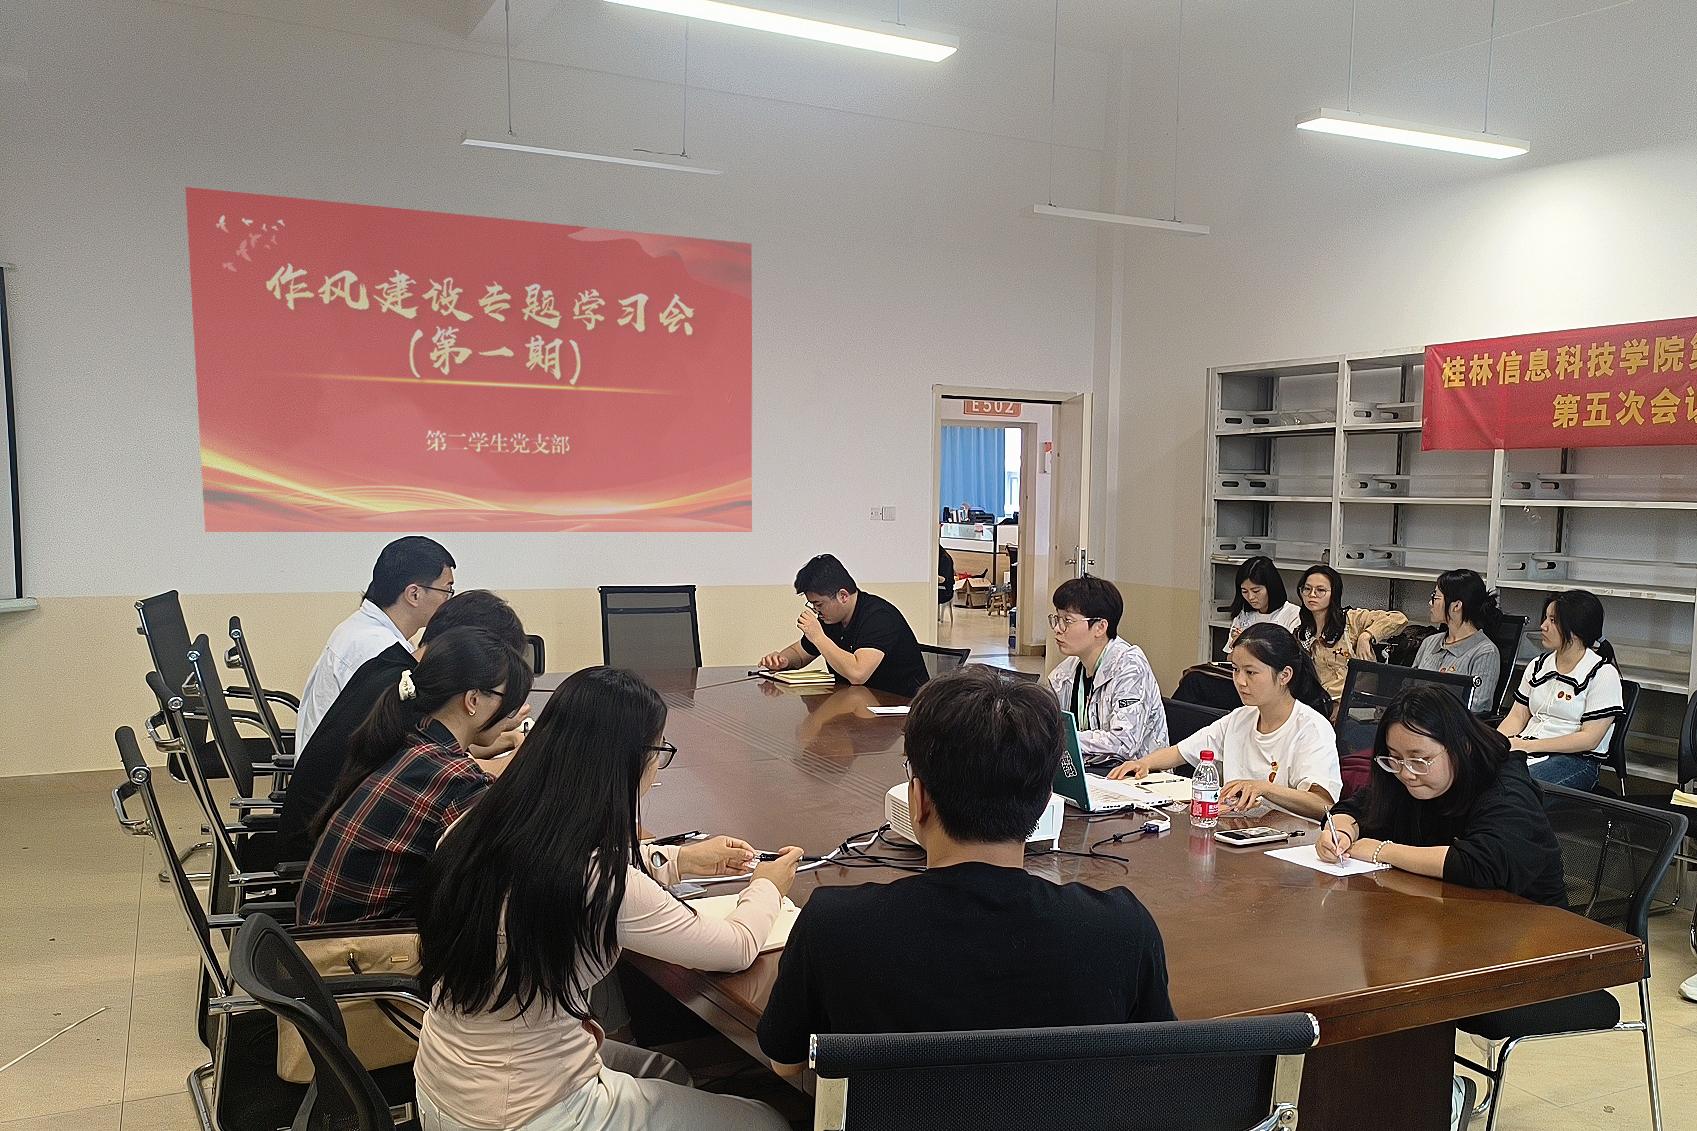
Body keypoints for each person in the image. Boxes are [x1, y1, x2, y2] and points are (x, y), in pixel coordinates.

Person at [414, 667, 799, 1131]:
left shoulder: (471, 827)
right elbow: (735, 946)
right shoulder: (601, 882)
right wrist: (768, 885)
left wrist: (679, 860)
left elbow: (556, 862)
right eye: (659, 750)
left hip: (442, 1084)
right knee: (768, 1122)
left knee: (668, 1072)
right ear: (628, 762)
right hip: (529, 1112)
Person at [757, 666, 1174, 1075]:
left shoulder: (835, 925)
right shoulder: (1121, 930)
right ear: (1046, 800)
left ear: (918, 799)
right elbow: (1161, 1071)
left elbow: (786, 1063)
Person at [295, 627, 532, 927]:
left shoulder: (411, 743)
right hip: (359, 948)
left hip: (318, 937)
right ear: (472, 700)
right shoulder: (457, 780)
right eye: (508, 701)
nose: (512, 715)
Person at [275, 590, 529, 863]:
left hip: (326, 848)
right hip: (309, 852)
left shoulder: (397, 674)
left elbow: (449, 758)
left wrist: (506, 737)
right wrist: (530, 751)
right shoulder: (409, 703)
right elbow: (454, 775)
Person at [1318, 686, 1566, 905]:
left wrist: (1382, 851)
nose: (1406, 773)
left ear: (1462, 747)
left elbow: (1480, 864)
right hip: (1443, 913)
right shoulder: (1401, 775)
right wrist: (1340, 833)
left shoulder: (1505, 787)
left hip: (1529, 925)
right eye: (1395, 758)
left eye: (1420, 760)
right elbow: (1356, 808)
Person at [1111, 624, 1340, 820]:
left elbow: (1323, 805)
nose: (1240, 681)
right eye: (1235, 670)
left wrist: (1264, 788)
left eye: (1251, 672)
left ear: (1284, 675)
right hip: (1238, 833)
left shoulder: (1311, 728)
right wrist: (1143, 763)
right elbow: (1182, 751)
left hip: (1289, 844)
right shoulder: (1240, 718)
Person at [296, 536, 457, 751]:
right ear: (414, 594)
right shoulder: (376, 648)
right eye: (447, 591)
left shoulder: (367, 630)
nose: (449, 601)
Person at [1497, 590, 1624, 790]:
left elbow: (1590, 739)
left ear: (1576, 629)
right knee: (1473, 774)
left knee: (1515, 789)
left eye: (1553, 620)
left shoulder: (1603, 674)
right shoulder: (1537, 665)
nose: (1543, 626)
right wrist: (1497, 743)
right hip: (1525, 749)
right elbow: (1517, 716)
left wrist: (1528, 746)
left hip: (1575, 761)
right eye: (1546, 618)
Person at [759, 553, 929, 697]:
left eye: (819, 604)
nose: (816, 610)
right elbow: (800, 654)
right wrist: (782, 660)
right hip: (858, 703)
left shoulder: (879, 617)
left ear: (843, 596)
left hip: (902, 708)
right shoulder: (831, 619)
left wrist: (818, 637)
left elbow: (858, 674)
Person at [1044, 576, 1168, 764]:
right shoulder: (1065, 673)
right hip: (1089, 769)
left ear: (1100, 627)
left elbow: (1123, 743)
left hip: (1138, 774)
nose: (1058, 629)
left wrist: (1061, 739)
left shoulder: (1130, 667)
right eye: (1057, 618)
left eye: (1067, 621)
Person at [1294, 564, 1407, 703]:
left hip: (1355, 704)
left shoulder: (1351, 620)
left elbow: (1399, 619)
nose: (1312, 594)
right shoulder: (1302, 633)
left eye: (1320, 590)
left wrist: (1367, 636)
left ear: (1334, 593)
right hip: (1319, 702)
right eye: (1307, 589)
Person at [1413, 569, 1505, 714]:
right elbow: (1408, 688)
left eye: (1435, 597)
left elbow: (1476, 708)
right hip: (1415, 719)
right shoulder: (1429, 642)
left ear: (1456, 606)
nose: (1430, 603)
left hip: (1449, 725)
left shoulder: (1485, 652)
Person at [1224, 556, 1301, 653]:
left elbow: (1292, 656)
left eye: (1256, 591)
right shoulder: (1243, 615)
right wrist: (1236, 645)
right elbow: (1229, 655)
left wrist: (1246, 646)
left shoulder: (1293, 614)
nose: (1250, 597)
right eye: (1244, 591)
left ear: (1271, 587)